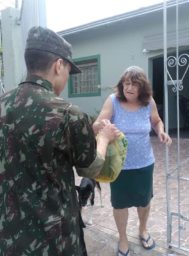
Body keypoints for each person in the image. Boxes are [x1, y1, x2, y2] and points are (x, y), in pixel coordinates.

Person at [0, 26, 120, 256]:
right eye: (68, 71)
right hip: (55, 240)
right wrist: (103, 138)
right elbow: (91, 167)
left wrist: (88, 128)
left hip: (8, 234)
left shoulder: (3, 103)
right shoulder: (67, 113)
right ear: (58, 65)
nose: (66, 77)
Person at [93, 66, 172, 256]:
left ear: (142, 87)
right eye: (126, 83)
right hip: (119, 166)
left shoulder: (148, 102)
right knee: (120, 204)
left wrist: (160, 131)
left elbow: (156, 120)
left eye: (134, 84)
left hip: (144, 163)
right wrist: (103, 126)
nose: (129, 87)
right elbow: (96, 124)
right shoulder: (113, 101)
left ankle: (143, 230)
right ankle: (122, 239)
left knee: (144, 201)